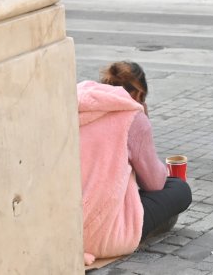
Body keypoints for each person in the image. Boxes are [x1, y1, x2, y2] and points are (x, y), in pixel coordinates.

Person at [78, 61, 192, 266]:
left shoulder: (76, 104)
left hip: (64, 223)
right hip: (99, 233)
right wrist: (144, 120)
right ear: (139, 96)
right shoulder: (133, 117)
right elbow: (154, 184)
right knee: (179, 188)